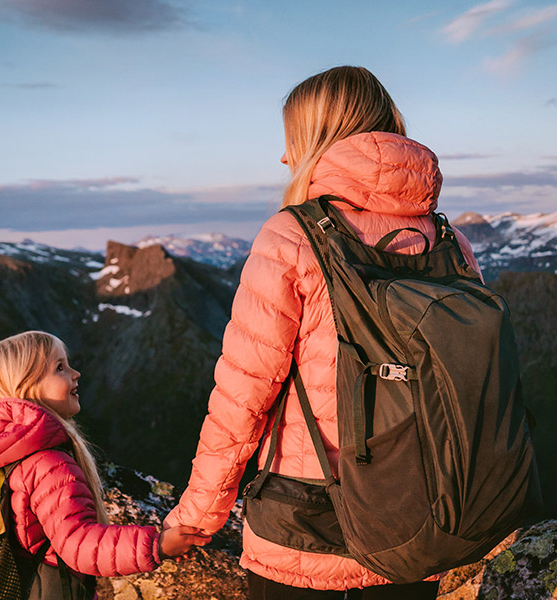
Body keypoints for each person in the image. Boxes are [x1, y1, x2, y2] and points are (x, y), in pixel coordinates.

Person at [163, 66, 482, 599]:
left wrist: (197, 516)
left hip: (305, 528)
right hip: (421, 524)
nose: (286, 157)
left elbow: (242, 397)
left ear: (317, 140)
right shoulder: (448, 241)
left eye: (292, 140)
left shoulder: (293, 235)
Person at [0, 330, 210, 599]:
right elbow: (79, 544)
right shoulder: (47, 462)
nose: (76, 373)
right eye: (60, 367)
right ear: (25, 389)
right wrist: (159, 545)